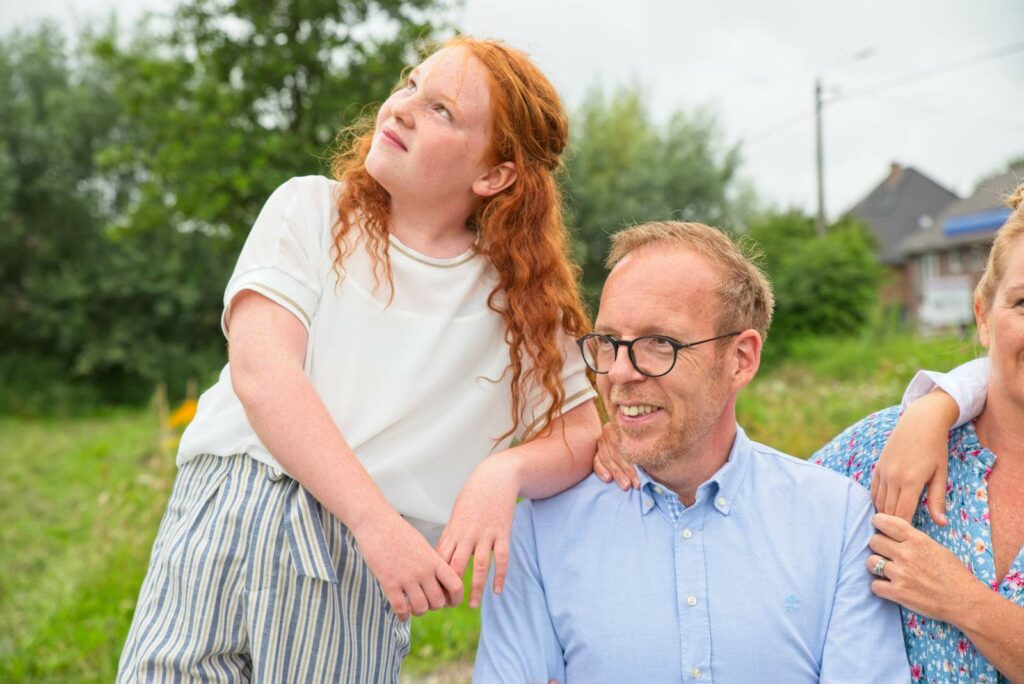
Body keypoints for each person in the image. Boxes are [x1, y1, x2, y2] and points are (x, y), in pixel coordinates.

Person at [117, 37, 601, 682]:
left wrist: (500, 477)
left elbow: (581, 431)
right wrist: (374, 521)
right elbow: (264, 375)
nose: (401, 108)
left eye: (441, 111)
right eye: (409, 85)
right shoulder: (311, 210)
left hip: (356, 565)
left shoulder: (520, 306)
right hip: (228, 509)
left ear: (494, 175)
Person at [473, 221, 909, 683]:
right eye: (608, 342)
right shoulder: (539, 534)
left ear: (741, 358)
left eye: (660, 342)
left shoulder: (837, 519)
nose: (619, 372)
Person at [814, 185, 1024, 682]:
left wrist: (961, 598)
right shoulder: (885, 445)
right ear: (982, 317)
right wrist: (632, 451)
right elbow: (759, 513)